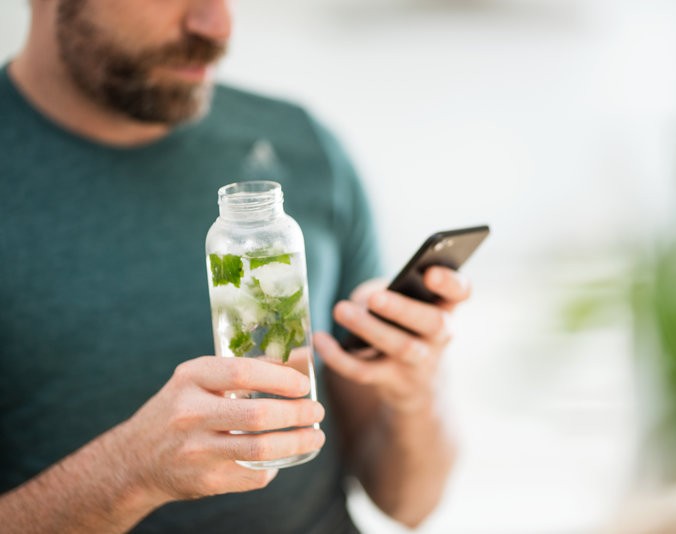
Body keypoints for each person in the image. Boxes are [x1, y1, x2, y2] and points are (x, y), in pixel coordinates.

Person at [0, 1, 473, 532]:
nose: (217, 24)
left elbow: (410, 505)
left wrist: (413, 394)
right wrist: (129, 473)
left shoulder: (303, 143)